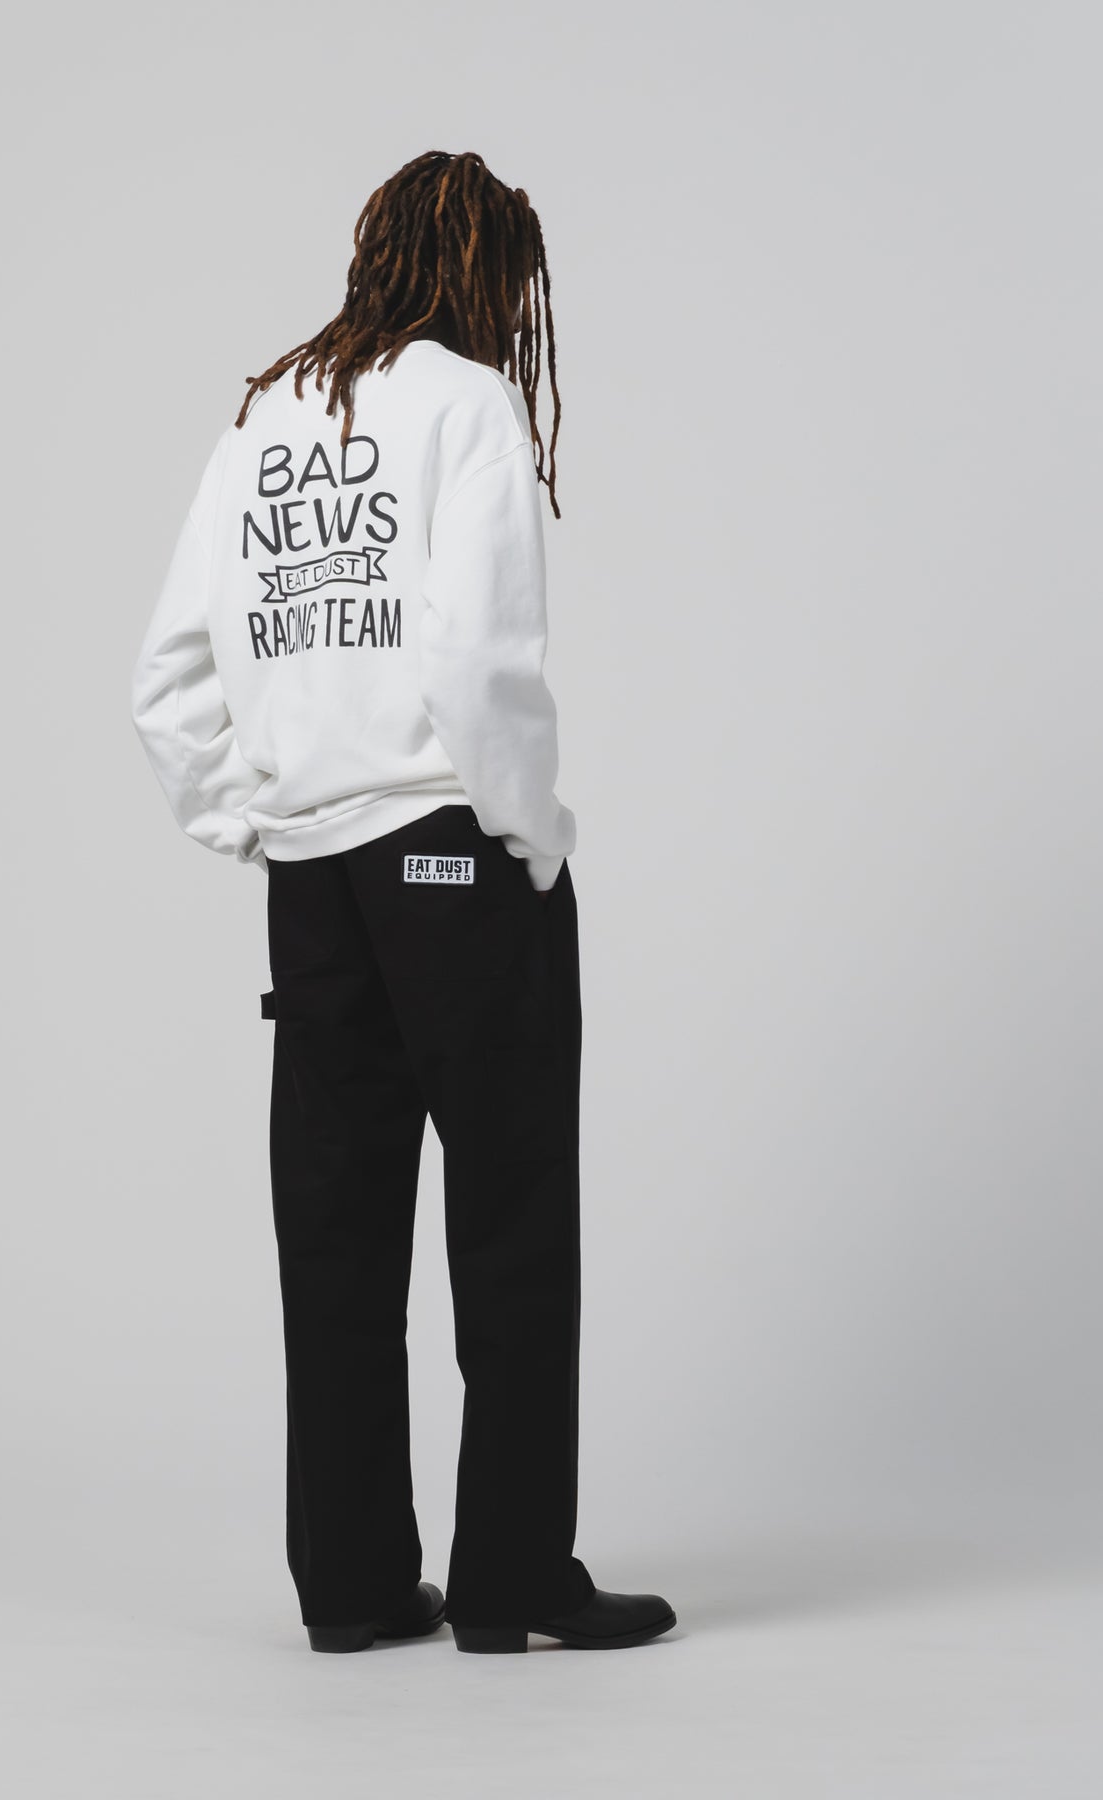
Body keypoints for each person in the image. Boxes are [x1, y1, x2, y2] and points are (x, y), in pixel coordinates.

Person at [131, 149, 676, 1655]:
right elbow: (479, 659)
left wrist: (256, 818)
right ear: (488, 275)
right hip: (450, 854)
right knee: (510, 1220)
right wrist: (529, 835)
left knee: (336, 1231)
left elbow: (166, 678)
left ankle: (355, 1588)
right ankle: (511, 1580)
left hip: (312, 878)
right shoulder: (469, 404)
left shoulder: (265, 420)